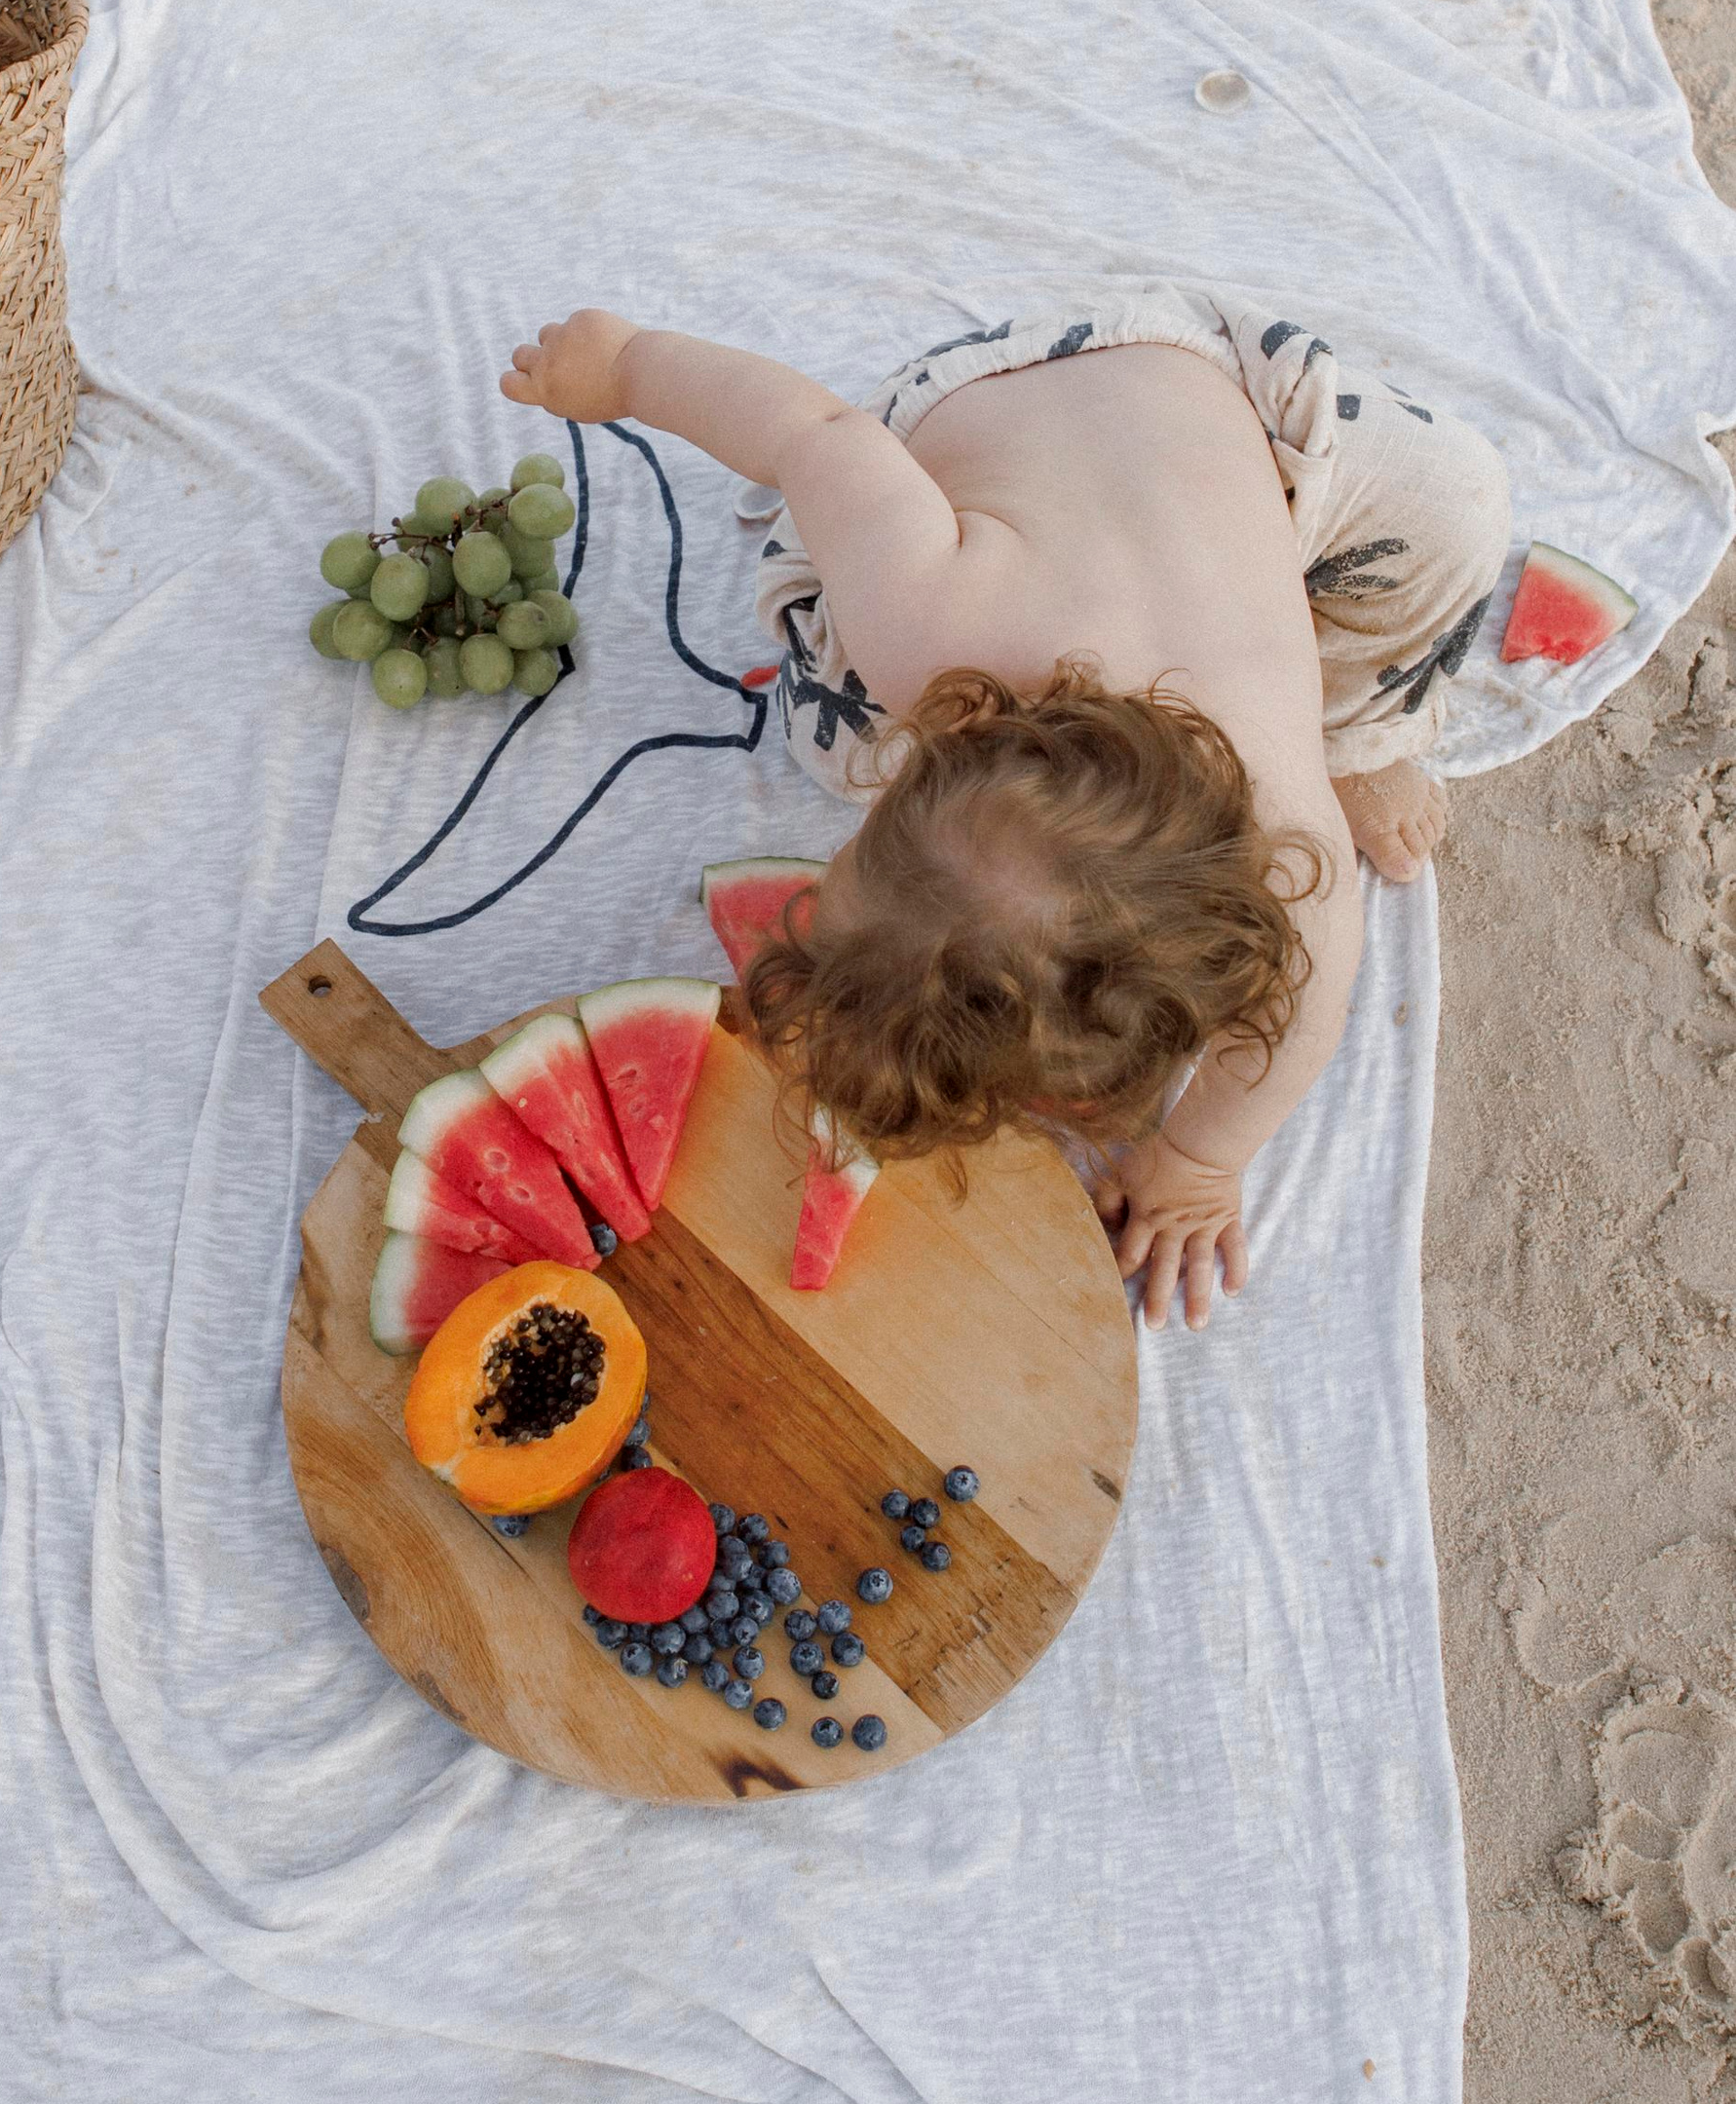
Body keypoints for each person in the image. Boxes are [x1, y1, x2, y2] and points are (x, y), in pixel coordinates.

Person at [499, 292, 1510, 1328]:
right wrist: (630, 367)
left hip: (1223, 439)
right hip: (1043, 409)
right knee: (835, 709)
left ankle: (1366, 732)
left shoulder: (1294, 838)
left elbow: (1301, 1027)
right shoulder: (931, 615)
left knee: (1459, 498)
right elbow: (816, 434)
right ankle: (1359, 710)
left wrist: (1201, 1161)